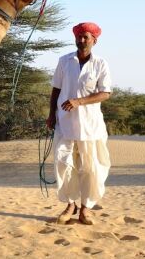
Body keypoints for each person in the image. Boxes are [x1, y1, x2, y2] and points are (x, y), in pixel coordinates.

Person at [46, 22, 112, 225]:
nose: (82, 40)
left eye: (86, 37)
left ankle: (86, 209)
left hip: (90, 127)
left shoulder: (101, 64)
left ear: (94, 40)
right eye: (79, 37)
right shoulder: (64, 61)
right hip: (65, 125)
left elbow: (106, 93)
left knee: (91, 168)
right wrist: (51, 114)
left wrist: (79, 102)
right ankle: (70, 205)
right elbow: (56, 89)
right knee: (65, 165)